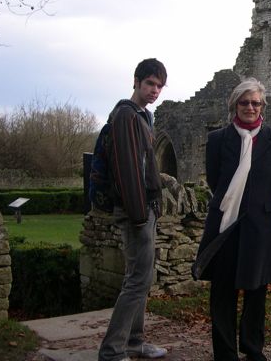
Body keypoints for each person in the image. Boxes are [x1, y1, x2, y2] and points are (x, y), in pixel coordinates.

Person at [193, 77, 271, 361]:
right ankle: (225, 353)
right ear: (235, 104)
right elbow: (214, 179)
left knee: (256, 289)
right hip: (226, 224)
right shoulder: (218, 140)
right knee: (223, 290)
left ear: (262, 106)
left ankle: (253, 348)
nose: (250, 107)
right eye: (245, 102)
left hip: (260, 223)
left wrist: (256, 202)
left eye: (255, 103)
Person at [98, 58, 168, 361]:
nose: (154, 90)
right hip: (136, 211)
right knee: (137, 280)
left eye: (159, 86)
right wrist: (140, 214)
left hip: (144, 209)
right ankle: (112, 351)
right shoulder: (126, 116)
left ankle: (134, 342)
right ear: (137, 82)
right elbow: (128, 169)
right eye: (150, 83)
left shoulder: (143, 117)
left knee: (141, 277)